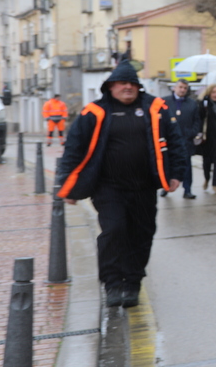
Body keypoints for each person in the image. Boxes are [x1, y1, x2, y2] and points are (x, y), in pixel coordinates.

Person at [55, 62, 185, 308]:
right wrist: (67, 184)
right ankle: (113, 283)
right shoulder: (94, 112)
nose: (128, 87)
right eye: (123, 83)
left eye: (133, 84)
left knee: (142, 233)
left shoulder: (155, 108)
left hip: (144, 186)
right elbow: (73, 148)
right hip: (108, 188)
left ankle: (133, 282)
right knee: (114, 230)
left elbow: (176, 142)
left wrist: (177, 173)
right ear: (111, 86)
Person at [162, 80, 200, 200]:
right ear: (174, 88)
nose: (182, 90)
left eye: (185, 88)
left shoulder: (192, 103)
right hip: (168, 140)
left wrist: (191, 133)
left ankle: (187, 190)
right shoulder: (165, 102)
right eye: (180, 87)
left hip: (186, 140)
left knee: (187, 165)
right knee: (167, 164)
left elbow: (197, 121)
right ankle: (165, 187)